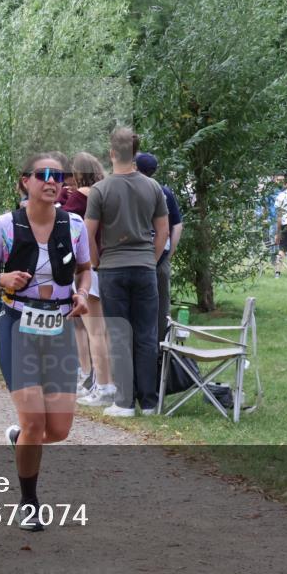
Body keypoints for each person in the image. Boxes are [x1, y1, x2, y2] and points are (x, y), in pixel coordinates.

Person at [0, 152, 91, 531]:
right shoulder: (5, 226)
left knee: (58, 430)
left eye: (58, 175)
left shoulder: (74, 226)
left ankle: (20, 438)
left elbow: (85, 269)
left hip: (58, 328)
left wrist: (83, 294)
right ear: (25, 181)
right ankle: (29, 502)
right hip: (19, 325)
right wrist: (0, 281)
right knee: (35, 424)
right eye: (42, 174)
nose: (51, 180)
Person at [84, 127, 169, 417]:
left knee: (119, 334)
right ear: (135, 154)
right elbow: (163, 231)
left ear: (111, 153)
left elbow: (88, 235)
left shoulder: (101, 190)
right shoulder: (152, 187)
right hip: (145, 267)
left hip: (113, 269)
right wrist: (151, 258)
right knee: (146, 334)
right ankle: (148, 402)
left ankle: (123, 402)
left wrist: (97, 263)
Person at [63, 152, 115, 402]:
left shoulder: (78, 197)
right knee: (103, 330)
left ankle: (101, 386)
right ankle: (107, 383)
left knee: (92, 330)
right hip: (110, 262)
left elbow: (65, 224)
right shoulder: (106, 192)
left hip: (90, 266)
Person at [134, 150, 184, 345]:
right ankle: (161, 347)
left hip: (137, 255)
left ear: (136, 168)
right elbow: (177, 225)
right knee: (162, 304)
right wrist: (168, 254)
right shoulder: (165, 191)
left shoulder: (131, 190)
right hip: (161, 255)